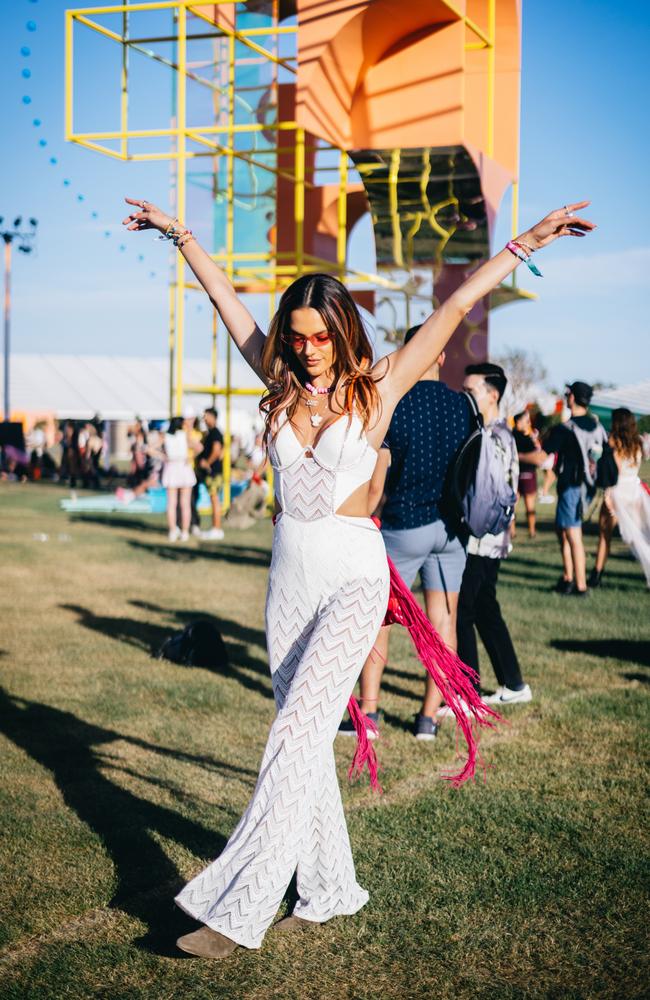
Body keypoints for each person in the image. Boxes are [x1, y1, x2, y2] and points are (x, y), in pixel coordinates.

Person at [122, 195, 594, 958]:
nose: (307, 350)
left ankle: (238, 906)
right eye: (297, 337)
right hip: (288, 585)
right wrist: (181, 237)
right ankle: (331, 887)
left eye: (318, 336)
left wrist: (528, 243)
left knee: (298, 730)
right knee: (303, 743)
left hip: (353, 577)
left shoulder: (378, 386)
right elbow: (225, 302)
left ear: (343, 331)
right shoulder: (277, 378)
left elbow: (457, 304)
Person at [338, 334, 471, 742]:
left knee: (380, 621)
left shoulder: (397, 405)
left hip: (403, 525)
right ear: (442, 355)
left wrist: (359, 519)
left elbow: (376, 486)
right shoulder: (462, 406)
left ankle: (371, 713)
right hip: (450, 530)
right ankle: (428, 718)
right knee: (443, 624)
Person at [455, 364, 533, 707]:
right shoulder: (497, 433)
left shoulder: (494, 436)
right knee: (485, 608)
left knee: (464, 612)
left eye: (471, 391)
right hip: (490, 537)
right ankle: (513, 683)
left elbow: (492, 493)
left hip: (481, 538)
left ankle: (469, 694)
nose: (465, 397)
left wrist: (471, 523)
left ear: (491, 395)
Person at [544, 381, 607, 595]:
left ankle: (579, 585)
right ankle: (568, 577)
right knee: (564, 531)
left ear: (573, 398)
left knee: (572, 535)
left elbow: (546, 452)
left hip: (571, 486)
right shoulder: (598, 427)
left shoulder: (566, 428)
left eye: (568, 393)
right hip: (587, 488)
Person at [589, 408, 650, 587]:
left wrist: (607, 496)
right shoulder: (638, 443)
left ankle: (596, 575)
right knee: (642, 536)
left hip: (617, 493)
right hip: (635, 493)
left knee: (604, 536)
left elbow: (611, 473)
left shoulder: (614, 442)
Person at [512, 410, 548, 538]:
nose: (528, 424)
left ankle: (513, 532)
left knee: (513, 505)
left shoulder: (511, 437)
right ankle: (531, 531)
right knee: (529, 505)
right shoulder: (526, 439)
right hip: (527, 473)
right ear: (518, 422)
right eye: (526, 421)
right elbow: (538, 455)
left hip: (516, 474)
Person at [163, 416, 197, 542]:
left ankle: (173, 530)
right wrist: (191, 457)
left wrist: (163, 456)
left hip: (172, 467)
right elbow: (199, 447)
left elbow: (149, 448)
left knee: (171, 503)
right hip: (183, 467)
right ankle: (185, 532)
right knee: (185, 503)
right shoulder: (185, 435)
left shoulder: (166, 436)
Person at [198, 407, 225, 541]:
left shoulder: (215, 433)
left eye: (206, 416)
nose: (204, 419)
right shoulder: (211, 433)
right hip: (213, 473)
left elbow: (217, 451)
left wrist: (207, 463)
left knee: (215, 500)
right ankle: (215, 528)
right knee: (214, 499)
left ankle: (216, 528)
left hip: (214, 473)